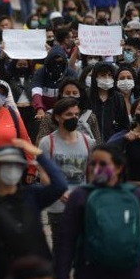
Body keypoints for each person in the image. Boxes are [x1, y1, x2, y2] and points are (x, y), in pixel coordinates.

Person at [55, 143, 140, 279]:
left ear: (119, 168)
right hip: (94, 278)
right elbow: (67, 239)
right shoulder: (80, 196)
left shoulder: (135, 195)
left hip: (126, 277)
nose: (96, 168)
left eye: (103, 164)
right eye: (92, 163)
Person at [0, 139, 67, 279]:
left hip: (38, 278)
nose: (11, 169)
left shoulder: (31, 195)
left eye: (16, 165)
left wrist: (40, 155)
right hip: (5, 278)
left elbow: (60, 185)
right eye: (6, 165)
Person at [38, 97, 95, 254]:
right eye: (69, 115)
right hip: (58, 207)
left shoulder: (88, 142)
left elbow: (91, 173)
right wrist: (59, 193)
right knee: (61, 250)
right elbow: (43, 174)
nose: (74, 118)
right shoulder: (46, 142)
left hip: (82, 205)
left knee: (83, 251)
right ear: (58, 117)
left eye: (76, 114)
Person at [108, 97, 140, 202]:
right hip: (132, 193)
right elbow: (106, 151)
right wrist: (123, 140)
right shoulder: (126, 136)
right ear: (133, 115)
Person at [35, 78, 102, 144]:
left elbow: (98, 143)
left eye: (75, 93)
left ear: (81, 95)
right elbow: (40, 143)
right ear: (61, 95)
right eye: (67, 93)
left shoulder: (90, 116)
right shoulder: (49, 116)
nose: (71, 96)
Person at [88, 62, 130, 142]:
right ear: (95, 77)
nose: (107, 78)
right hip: (90, 145)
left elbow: (124, 127)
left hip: (112, 147)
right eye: (103, 75)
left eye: (110, 75)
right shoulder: (87, 96)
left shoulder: (118, 98)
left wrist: (115, 141)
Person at [32, 47, 77, 121]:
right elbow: (36, 91)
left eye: (60, 62)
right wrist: (39, 108)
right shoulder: (40, 72)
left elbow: (75, 93)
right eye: (54, 62)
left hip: (64, 110)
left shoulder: (70, 73)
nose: (57, 65)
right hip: (44, 111)